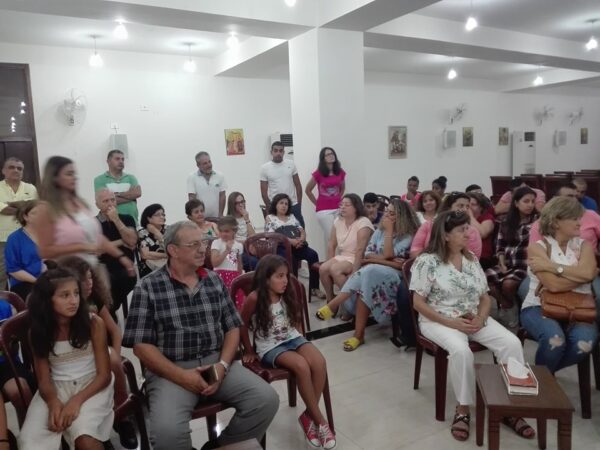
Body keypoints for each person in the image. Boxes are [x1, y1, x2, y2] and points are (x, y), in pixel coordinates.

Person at [123, 221, 279, 450]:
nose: (202, 249)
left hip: (215, 362)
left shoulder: (213, 280)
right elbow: (141, 346)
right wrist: (182, 376)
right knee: (167, 434)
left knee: (266, 400)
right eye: (194, 244)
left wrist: (222, 366)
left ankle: (220, 447)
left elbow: (232, 328)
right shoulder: (148, 287)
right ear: (173, 250)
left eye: (203, 243)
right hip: (171, 370)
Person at [409, 210, 534, 442]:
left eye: (468, 228)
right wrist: (451, 322)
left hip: (472, 316)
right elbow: (418, 303)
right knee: (461, 351)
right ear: (445, 235)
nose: (469, 233)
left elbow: (485, 297)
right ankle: (463, 408)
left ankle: (510, 406)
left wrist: (481, 318)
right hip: (438, 319)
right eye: (462, 230)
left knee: (511, 343)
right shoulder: (427, 261)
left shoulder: (471, 260)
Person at [240, 255, 336, 449]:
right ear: (266, 278)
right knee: (302, 366)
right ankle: (320, 421)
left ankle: (308, 416)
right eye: (279, 276)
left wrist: (301, 339)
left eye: (286, 275)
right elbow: (241, 324)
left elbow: (297, 318)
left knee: (319, 362)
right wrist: (248, 350)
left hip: (293, 338)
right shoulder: (255, 298)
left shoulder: (288, 292)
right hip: (271, 346)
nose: (285, 280)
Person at [19, 268, 114, 450]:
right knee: (29, 442)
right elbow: (44, 380)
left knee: (84, 437)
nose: (74, 301)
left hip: (92, 386)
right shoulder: (37, 332)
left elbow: (104, 375)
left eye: (76, 293)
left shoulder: (94, 324)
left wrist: (76, 401)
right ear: (47, 300)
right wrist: (53, 401)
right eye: (65, 295)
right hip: (55, 388)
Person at [316, 199, 419, 351]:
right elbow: (368, 253)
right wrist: (385, 259)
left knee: (369, 271)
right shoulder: (379, 231)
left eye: (392, 213)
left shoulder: (407, 235)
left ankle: (334, 305)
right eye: (387, 212)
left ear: (401, 216)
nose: (387, 216)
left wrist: (388, 235)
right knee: (368, 278)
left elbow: (393, 259)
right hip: (375, 272)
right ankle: (358, 335)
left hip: (395, 276)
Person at [55, 256, 136, 449]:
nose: (89, 282)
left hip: (101, 350)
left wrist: (116, 353)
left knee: (113, 361)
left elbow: (115, 331)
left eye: (91, 277)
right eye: (84, 279)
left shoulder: (95, 300)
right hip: (78, 359)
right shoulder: (62, 307)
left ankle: (122, 417)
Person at [521, 197, 598, 374]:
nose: (580, 223)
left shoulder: (585, 246)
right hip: (538, 307)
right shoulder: (537, 248)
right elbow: (553, 285)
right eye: (574, 218)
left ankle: (540, 377)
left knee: (584, 344)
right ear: (556, 222)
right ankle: (544, 381)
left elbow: (587, 273)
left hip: (580, 308)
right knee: (554, 340)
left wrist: (552, 266)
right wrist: (583, 276)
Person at [34, 156, 135, 274]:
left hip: (89, 270)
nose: (74, 177)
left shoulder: (80, 203)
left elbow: (96, 237)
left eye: (74, 174)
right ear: (55, 178)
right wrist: (82, 247)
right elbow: (44, 251)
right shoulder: (46, 208)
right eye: (69, 174)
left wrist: (121, 257)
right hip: (63, 273)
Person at [486, 187, 537, 309]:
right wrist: (502, 264)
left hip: (525, 265)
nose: (530, 205)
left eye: (533, 201)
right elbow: (500, 246)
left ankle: (513, 307)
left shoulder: (537, 221)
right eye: (526, 201)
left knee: (508, 284)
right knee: (483, 279)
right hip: (508, 264)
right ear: (516, 203)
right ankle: (507, 304)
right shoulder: (506, 222)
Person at [265, 193, 323, 299]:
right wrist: (290, 241)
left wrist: (301, 239)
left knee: (313, 255)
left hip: (297, 245)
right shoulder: (270, 218)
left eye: (286, 204)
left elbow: (301, 230)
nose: (284, 206)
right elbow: (272, 235)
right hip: (281, 247)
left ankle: (314, 288)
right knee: (291, 259)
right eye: (281, 203)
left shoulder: (291, 216)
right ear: (275, 205)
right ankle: (292, 289)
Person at [319, 194, 374, 304]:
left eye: (347, 205)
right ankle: (331, 299)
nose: (343, 207)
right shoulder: (338, 221)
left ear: (356, 207)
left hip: (359, 257)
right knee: (323, 268)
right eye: (341, 204)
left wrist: (354, 272)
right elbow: (331, 243)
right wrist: (330, 260)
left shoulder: (363, 222)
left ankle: (350, 301)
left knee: (335, 269)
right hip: (344, 255)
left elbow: (360, 249)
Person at [95, 188, 137, 320]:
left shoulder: (127, 219)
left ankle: (110, 312)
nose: (110, 204)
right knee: (107, 283)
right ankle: (110, 315)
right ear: (97, 204)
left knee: (127, 278)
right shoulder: (94, 223)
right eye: (105, 201)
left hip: (126, 267)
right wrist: (121, 241)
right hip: (103, 267)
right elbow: (97, 249)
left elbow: (132, 241)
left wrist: (117, 220)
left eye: (112, 200)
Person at [0, 157, 38, 290]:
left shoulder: (31, 188)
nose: (16, 170)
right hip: (3, 240)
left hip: (27, 238)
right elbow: (3, 210)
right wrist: (23, 206)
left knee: (27, 272)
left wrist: (10, 204)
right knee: (2, 275)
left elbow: (35, 210)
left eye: (19, 168)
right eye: (11, 167)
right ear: (3, 171)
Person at [410, 192, 482, 259]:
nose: (465, 210)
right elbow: (414, 252)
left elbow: (473, 258)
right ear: (448, 208)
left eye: (467, 207)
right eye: (461, 206)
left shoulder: (472, 231)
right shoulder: (428, 226)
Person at [305, 147, 346, 244]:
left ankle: (333, 254)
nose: (331, 156)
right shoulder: (318, 173)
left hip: (338, 208)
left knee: (340, 236)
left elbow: (342, 188)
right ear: (323, 159)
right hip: (324, 210)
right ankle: (331, 254)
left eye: (332, 153)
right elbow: (308, 190)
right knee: (331, 236)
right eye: (327, 154)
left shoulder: (340, 171)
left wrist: (337, 199)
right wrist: (317, 203)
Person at [260, 141, 304, 228]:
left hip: (293, 205)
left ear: (283, 152)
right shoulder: (265, 168)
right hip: (276, 206)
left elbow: (298, 185)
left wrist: (299, 204)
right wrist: (269, 206)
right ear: (271, 152)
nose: (278, 153)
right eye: (275, 150)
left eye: (280, 151)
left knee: (300, 230)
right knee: (278, 232)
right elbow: (263, 192)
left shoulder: (291, 164)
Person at [5, 200, 43, 300]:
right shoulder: (14, 238)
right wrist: (37, 281)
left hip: (49, 280)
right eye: (35, 213)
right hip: (24, 283)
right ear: (25, 217)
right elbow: (13, 270)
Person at [94, 149, 141, 225]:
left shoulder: (131, 178)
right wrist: (131, 198)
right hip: (111, 223)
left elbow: (138, 193)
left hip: (133, 222)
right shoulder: (99, 179)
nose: (121, 161)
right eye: (117, 159)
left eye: (122, 159)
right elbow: (103, 201)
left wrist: (117, 195)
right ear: (108, 161)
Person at [211, 216, 243, 305]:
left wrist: (240, 277)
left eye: (226, 231)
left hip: (234, 277)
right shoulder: (216, 243)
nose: (223, 234)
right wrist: (227, 250)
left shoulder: (239, 245)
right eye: (221, 231)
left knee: (235, 302)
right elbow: (214, 263)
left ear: (234, 231)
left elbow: (239, 264)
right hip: (220, 276)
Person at [187, 151, 227, 217]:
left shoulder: (220, 176)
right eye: (205, 163)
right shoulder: (192, 177)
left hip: (217, 217)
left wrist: (220, 214)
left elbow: (222, 196)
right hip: (200, 218)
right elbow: (192, 198)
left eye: (209, 162)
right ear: (198, 165)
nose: (209, 165)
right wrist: (195, 216)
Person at [226, 192, 257, 271]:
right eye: (237, 203)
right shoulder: (229, 220)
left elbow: (253, 237)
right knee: (254, 262)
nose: (241, 205)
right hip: (235, 251)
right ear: (232, 205)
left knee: (266, 260)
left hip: (249, 248)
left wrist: (247, 220)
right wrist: (246, 242)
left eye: (242, 202)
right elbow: (230, 241)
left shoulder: (247, 217)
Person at [138, 203, 168, 277]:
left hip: (168, 268)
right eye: (157, 215)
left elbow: (171, 249)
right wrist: (166, 255)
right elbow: (145, 255)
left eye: (163, 214)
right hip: (149, 270)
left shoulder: (169, 229)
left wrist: (157, 233)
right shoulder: (142, 232)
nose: (162, 217)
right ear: (148, 218)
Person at [467, 192, 495, 270]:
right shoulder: (462, 219)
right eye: (467, 205)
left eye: (473, 204)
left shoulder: (487, 217)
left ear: (481, 207)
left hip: (482, 258)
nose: (469, 207)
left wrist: (470, 216)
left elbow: (482, 233)